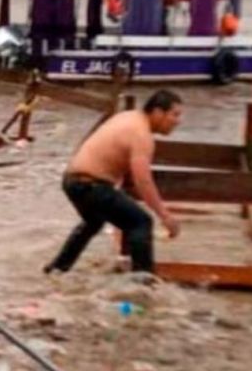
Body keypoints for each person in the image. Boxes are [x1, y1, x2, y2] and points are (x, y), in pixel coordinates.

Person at [44, 90, 184, 275]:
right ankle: (143, 282)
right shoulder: (142, 135)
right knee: (141, 222)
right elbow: (143, 180)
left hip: (72, 181)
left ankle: (57, 268)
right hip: (91, 185)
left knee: (94, 221)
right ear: (158, 112)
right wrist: (165, 216)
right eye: (175, 114)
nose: (178, 121)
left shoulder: (128, 117)